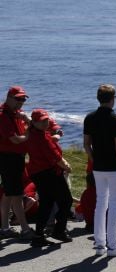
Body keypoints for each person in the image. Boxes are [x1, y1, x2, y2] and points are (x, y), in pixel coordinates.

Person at [83, 84, 116, 257]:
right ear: (112, 98)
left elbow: (86, 144)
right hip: (114, 167)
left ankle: (100, 244)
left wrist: (94, 159)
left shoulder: (89, 118)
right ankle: (114, 245)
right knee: (114, 205)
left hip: (98, 167)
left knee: (100, 204)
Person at [26, 109, 73, 245]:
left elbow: (50, 141)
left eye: (46, 120)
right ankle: (58, 230)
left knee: (46, 203)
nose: (45, 123)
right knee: (66, 201)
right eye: (42, 121)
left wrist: (56, 134)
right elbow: (55, 157)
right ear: (34, 122)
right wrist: (66, 166)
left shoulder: (32, 133)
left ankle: (39, 235)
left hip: (38, 172)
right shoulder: (42, 137)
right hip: (49, 173)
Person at [0, 86, 36, 240]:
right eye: (18, 99)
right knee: (16, 194)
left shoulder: (14, 114)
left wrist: (27, 122)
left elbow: (21, 135)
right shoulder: (3, 115)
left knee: (9, 194)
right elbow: (15, 139)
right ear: (9, 97)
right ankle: (25, 229)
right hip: (8, 158)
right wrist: (28, 134)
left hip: (15, 157)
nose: (21, 102)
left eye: (23, 100)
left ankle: (5, 227)